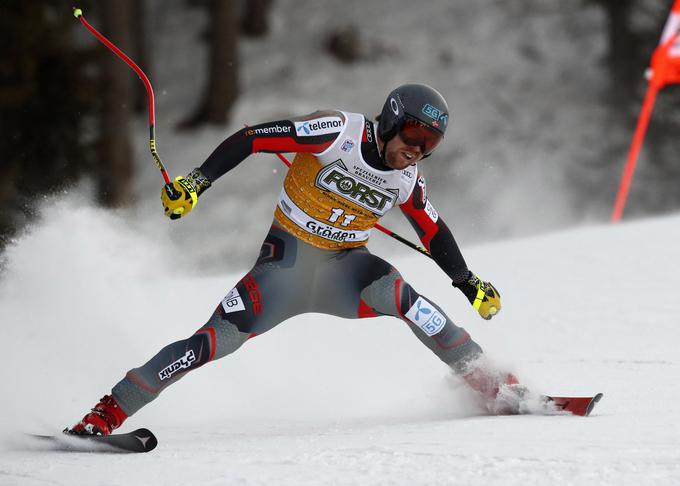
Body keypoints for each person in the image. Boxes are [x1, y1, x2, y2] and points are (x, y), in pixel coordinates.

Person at [67, 83, 523, 436]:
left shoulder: (407, 178)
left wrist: (467, 282)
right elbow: (252, 139)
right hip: (283, 270)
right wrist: (196, 183)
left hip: (346, 270)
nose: (418, 149)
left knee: (410, 301)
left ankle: (490, 384)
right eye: (414, 134)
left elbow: (433, 230)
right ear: (391, 120)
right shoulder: (337, 130)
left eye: (431, 143)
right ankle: (106, 413)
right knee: (209, 343)